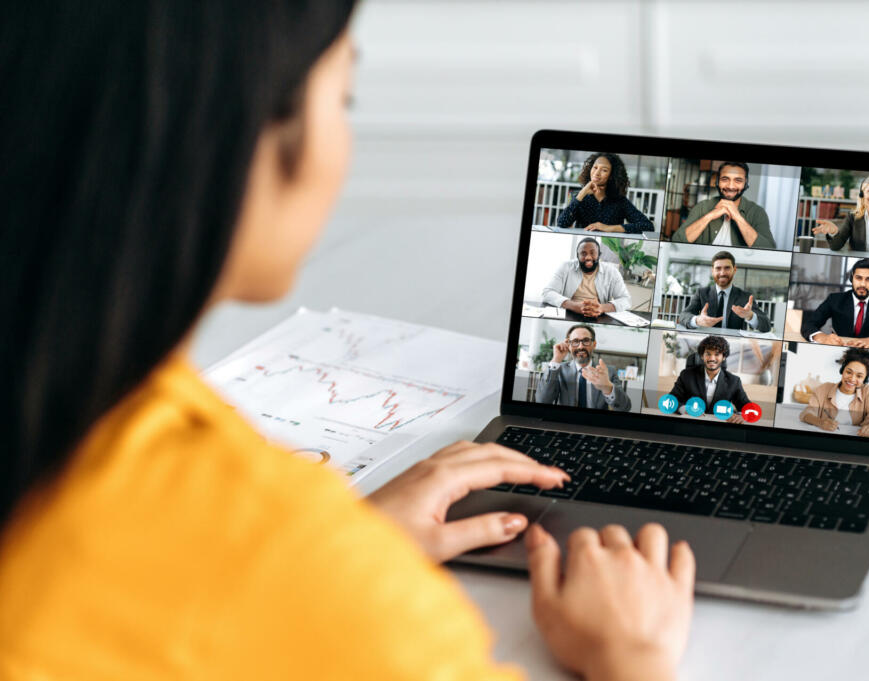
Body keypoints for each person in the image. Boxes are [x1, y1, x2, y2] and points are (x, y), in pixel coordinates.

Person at [0, 5, 695, 681]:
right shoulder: (354, 600)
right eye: (344, 97)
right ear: (246, 140)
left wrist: (347, 544)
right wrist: (629, 658)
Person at [801, 258, 869, 347]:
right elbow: (809, 324)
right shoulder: (834, 300)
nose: (862, 284)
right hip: (837, 347)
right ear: (852, 279)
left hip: (867, 352)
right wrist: (822, 337)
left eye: (868, 279)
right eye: (858, 278)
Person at [671, 161, 776, 248]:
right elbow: (676, 241)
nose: (730, 186)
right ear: (717, 182)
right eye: (725, 179)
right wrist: (709, 216)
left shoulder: (757, 212)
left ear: (746, 183)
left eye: (738, 180)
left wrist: (738, 217)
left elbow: (769, 249)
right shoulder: (702, 207)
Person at [536, 325, 632, 411]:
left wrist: (608, 388)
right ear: (569, 345)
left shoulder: (608, 372)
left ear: (594, 344)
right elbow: (542, 401)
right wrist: (556, 360)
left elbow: (625, 408)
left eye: (586, 341)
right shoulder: (558, 370)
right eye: (575, 341)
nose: (581, 346)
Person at [556, 152, 654, 234]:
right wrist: (582, 193)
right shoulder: (580, 197)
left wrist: (609, 228)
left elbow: (647, 226)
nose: (597, 173)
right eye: (595, 167)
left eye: (604, 170)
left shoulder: (620, 201)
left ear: (612, 176)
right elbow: (561, 223)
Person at [678, 251, 772, 332]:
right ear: (712, 271)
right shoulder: (701, 293)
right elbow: (683, 316)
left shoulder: (745, 297)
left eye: (727, 268)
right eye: (718, 268)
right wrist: (697, 320)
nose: (722, 273)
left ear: (734, 270)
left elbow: (767, 326)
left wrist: (750, 316)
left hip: (734, 348)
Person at [799, 348, 869, 437]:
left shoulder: (867, 392)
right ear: (842, 370)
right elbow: (806, 414)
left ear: (865, 379)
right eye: (849, 372)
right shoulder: (823, 389)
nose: (852, 379)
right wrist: (820, 422)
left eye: (859, 376)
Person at [541, 237, 631, 317]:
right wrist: (574, 306)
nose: (588, 257)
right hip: (570, 313)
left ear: (599, 254)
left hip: (599, 316)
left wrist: (602, 308)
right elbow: (547, 293)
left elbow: (626, 300)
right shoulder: (565, 267)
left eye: (592, 253)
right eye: (583, 253)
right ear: (577, 256)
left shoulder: (612, 271)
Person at [667, 336, 749, 423]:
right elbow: (671, 400)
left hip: (719, 427)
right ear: (702, 356)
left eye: (717, 354)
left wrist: (742, 416)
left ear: (724, 357)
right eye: (708, 354)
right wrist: (685, 409)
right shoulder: (687, 375)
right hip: (691, 423)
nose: (712, 358)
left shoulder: (733, 381)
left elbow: (746, 406)